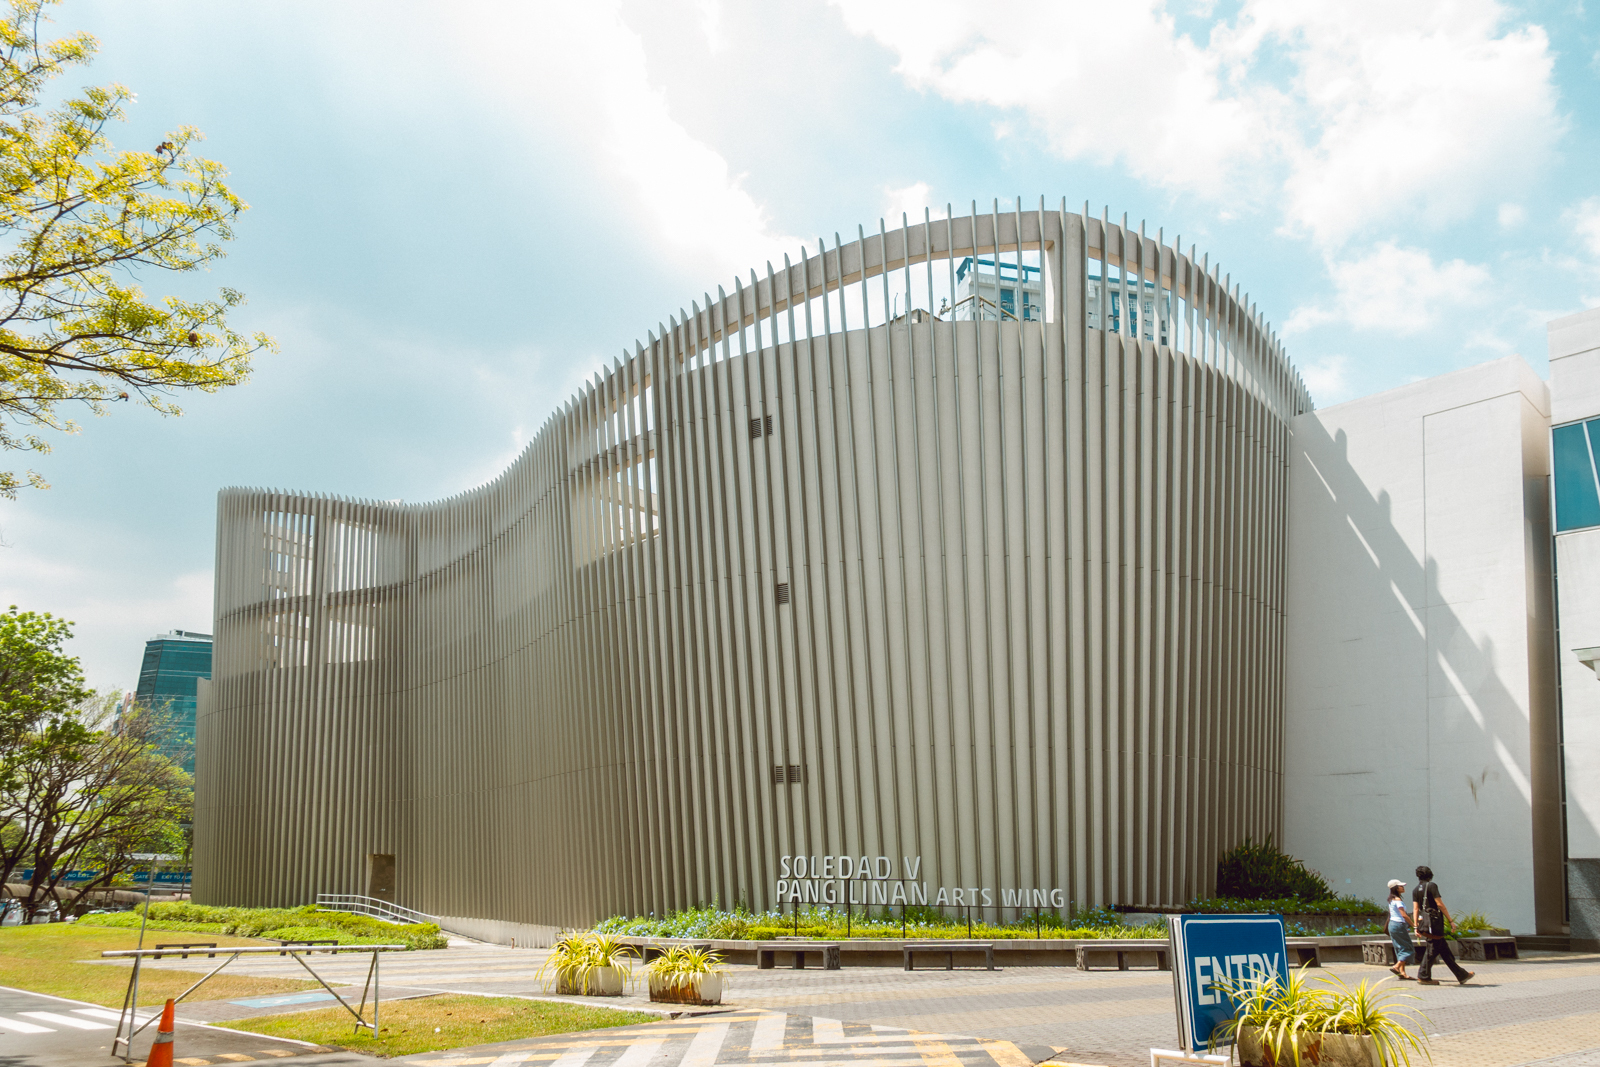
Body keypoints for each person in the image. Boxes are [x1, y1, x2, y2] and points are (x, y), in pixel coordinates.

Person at [1412, 865, 1474, 985]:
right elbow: (1439, 904)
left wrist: (1415, 926)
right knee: (1432, 949)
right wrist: (1450, 921)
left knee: (1443, 950)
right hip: (1434, 923)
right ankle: (1423, 976)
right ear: (1430, 875)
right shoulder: (1432, 886)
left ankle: (1461, 975)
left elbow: (1415, 909)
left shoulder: (1415, 890)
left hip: (1425, 923)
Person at [1385, 879, 1416, 979]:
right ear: (1396, 888)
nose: (1403, 887)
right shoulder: (1397, 900)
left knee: (1400, 948)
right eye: (1401, 886)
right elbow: (1404, 915)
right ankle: (1397, 966)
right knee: (1408, 948)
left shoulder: (1391, 899)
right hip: (1399, 925)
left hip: (1392, 925)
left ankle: (1402, 973)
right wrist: (1414, 925)